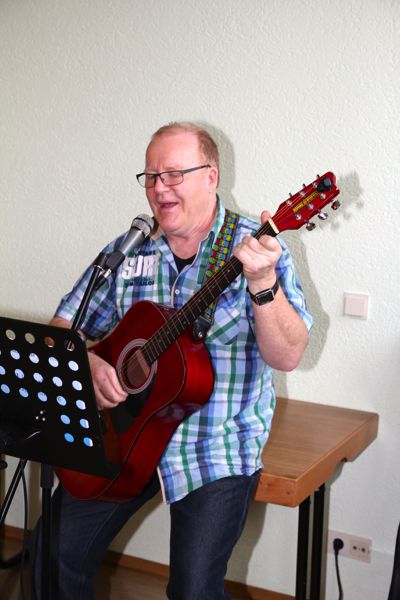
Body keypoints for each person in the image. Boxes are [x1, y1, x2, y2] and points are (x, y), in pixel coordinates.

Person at [30, 121, 312, 599]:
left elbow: (287, 356)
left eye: (175, 174)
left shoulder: (257, 249)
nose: (160, 188)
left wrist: (263, 284)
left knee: (194, 591)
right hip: (123, 437)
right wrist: (88, 364)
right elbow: (63, 327)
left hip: (214, 444)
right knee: (50, 556)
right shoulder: (128, 250)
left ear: (211, 176)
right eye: (152, 176)